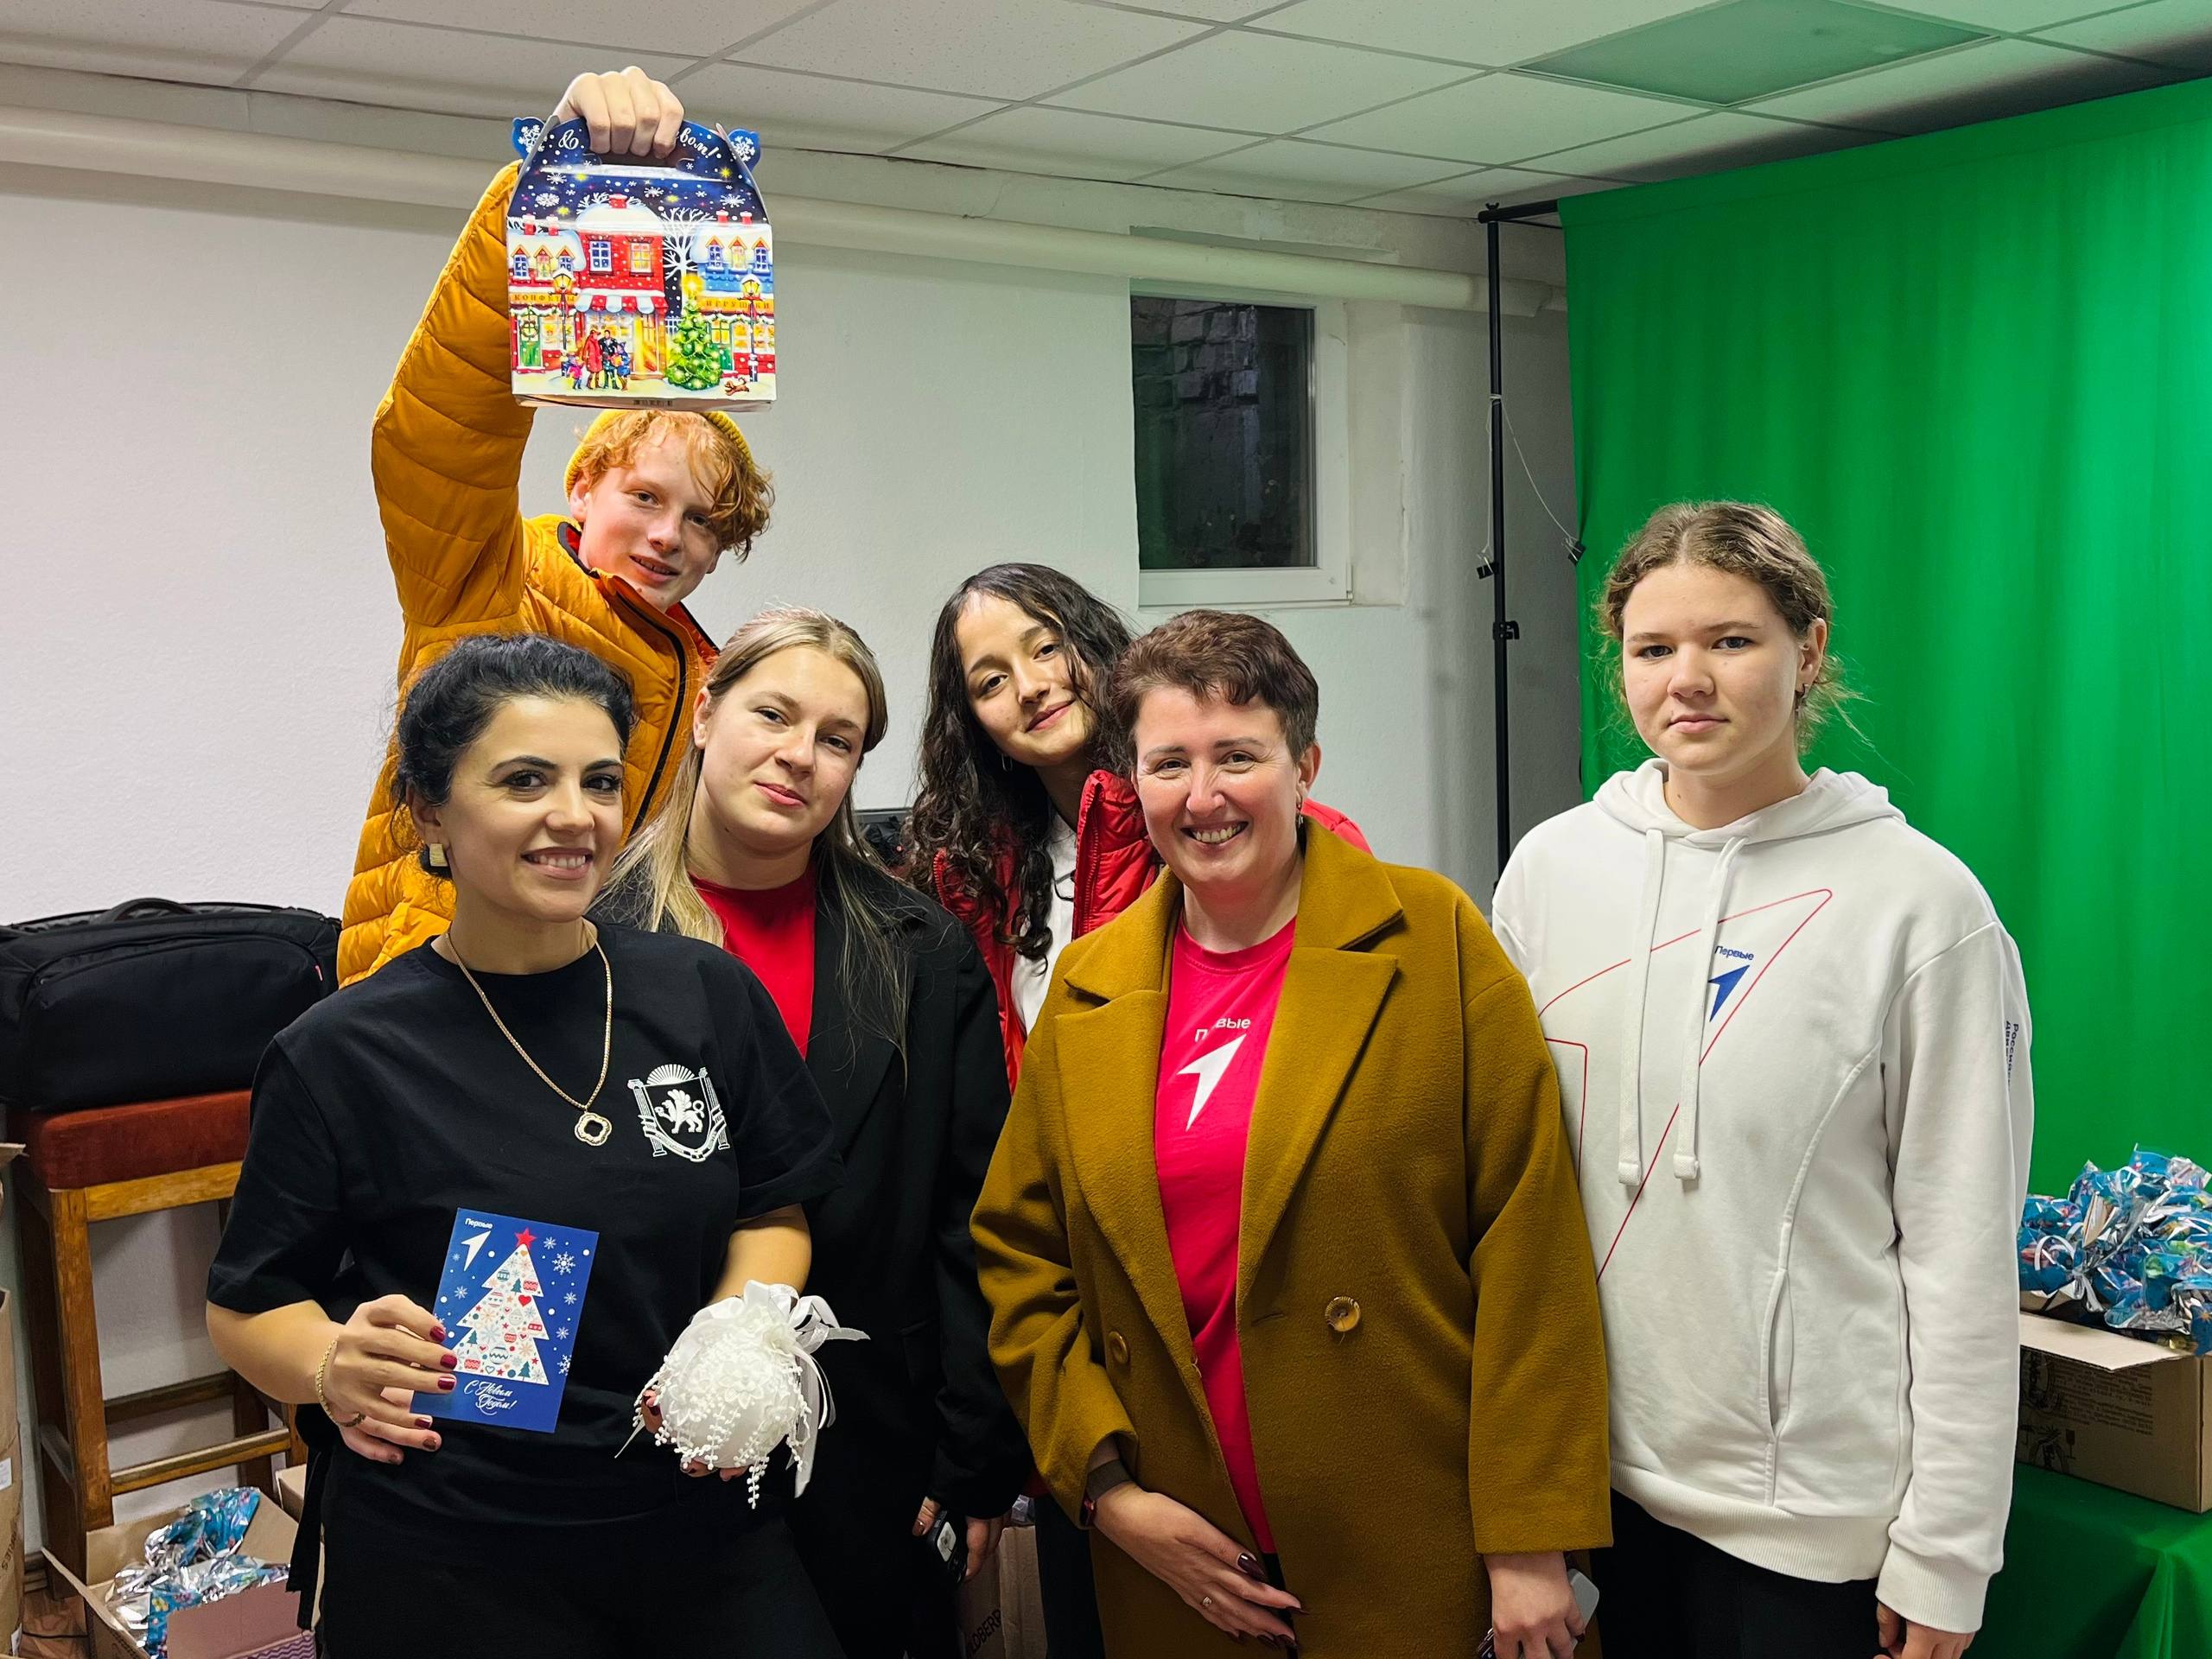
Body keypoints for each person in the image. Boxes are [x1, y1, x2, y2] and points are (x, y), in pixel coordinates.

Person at [970, 610, 1611, 1659]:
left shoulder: (1434, 941)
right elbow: (1020, 1258)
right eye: (1169, 763)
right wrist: (1108, 1490)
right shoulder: (1089, 986)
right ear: (1131, 785)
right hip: (1177, 1562)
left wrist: (1533, 1537)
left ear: (1304, 767)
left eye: (1238, 756)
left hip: (1417, 1539)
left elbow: (1530, 1252)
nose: (1203, 796)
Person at [207, 635, 844, 1657]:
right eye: (524, 781)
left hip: (697, 1523)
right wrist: (329, 1362)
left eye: (601, 781)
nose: (575, 815)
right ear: (429, 811)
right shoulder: (343, 1052)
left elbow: (773, 1203)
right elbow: (248, 1304)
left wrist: (734, 1341)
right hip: (456, 1551)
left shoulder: (701, 993)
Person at [1492, 502, 2034, 1659]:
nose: (1686, 680)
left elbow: (1960, 1255)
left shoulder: (1923, 908)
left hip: (1810, 1527)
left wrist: (1947, 1553)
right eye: (1652, 648)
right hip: (1596, 1491)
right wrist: (1519, 1495)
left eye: (1730, 641)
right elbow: (1509, 1199)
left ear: (1809, 650)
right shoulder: (1551, 871)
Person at [905, 566, 1366, 1656]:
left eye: (1044, 646)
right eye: (989, 679)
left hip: (1246, 1296)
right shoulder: (969, 873)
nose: (1029, 685)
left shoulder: (1263, 830)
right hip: (1074, 1300)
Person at [606, 608, 1031, 1659]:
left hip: (871, 1452)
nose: (799, 755)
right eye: (772, 715)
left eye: (836, 739)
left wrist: (972, 1455)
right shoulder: (586, 937)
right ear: (705, 713)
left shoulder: (920, 950)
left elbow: (976, 1215)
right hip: (635, 1446)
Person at [342, 66, 772, 984]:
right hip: (435, 988)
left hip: (581, 991)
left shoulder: (702, 673)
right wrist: (541, 201)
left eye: (702, 522)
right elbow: (435, 437)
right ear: (582, 488)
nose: (669, 536)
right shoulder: (493, 581)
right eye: (645, 498)